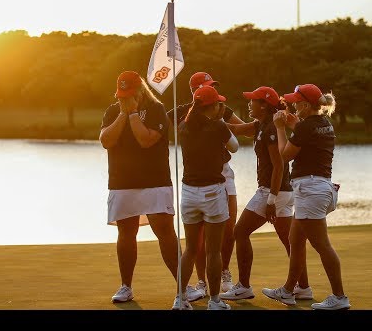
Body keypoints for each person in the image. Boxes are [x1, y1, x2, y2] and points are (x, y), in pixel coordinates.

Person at [262, 84, 350, 310]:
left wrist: (280, 127)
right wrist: (295, 125)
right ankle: (290, 290)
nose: (292, 104)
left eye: (295, 101)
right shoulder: (324, 123)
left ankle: (339, 297)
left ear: (305, 104)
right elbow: (307, 134)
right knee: (296, 240)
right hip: (319, 189)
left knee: (322, 245)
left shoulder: (305, 127)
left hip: (310, 190)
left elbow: (285, 155)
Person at [220, 86, 311, 301]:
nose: (249, 104)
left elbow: (279, 166)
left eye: (253, 101)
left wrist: (271, 198)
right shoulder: (261, 124)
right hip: (283, 192)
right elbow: (237, 129)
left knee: (240, 232)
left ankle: (243, 286)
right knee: (290, 241)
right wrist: (208, 120)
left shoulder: (271, 129)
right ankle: (304, 288)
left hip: (273, 191)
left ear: (264, 105)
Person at [99, 71, 179, 304]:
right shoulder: (113, 111)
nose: (124, 98)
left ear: (140, 90)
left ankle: (183, 285)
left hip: (154, 181)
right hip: (122, 182)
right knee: (126, 232)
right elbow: (106, 141)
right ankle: (126, 286)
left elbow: (146, 140)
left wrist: (133, 112)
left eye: (129, 94)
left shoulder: (157, 109)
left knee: (164, 231)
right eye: (121, 95)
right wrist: (124, 113)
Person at [167, 72, 244, 301]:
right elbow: (235, 147)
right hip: (212, 192)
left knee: (190, 249)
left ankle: (180, 299)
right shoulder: (219, 126)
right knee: (212, 251)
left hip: (188, 193)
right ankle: (215, 300)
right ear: (213, 106)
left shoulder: (183, 126)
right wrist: (220, 121)